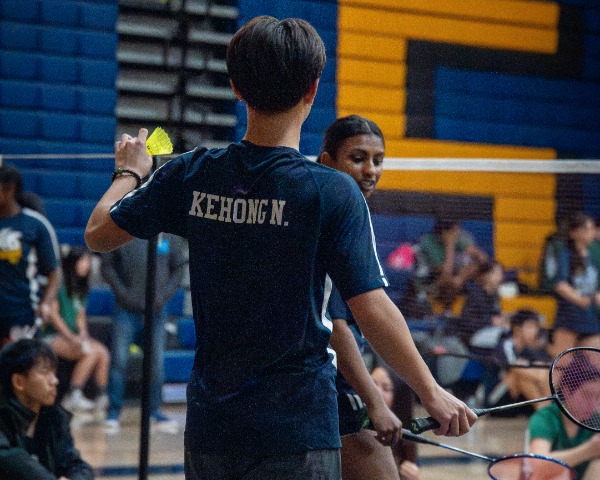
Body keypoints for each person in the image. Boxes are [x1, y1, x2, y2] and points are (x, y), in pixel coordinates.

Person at [85, 16, 476, 479]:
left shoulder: (192, 173)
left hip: (212, 429)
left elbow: (98, 233)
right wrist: (430, 390)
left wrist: (130, 171)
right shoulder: (332, 192)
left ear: (236, 87)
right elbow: (370, 306)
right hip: (297, 431)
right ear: (312, 90)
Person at [318, 115, 403, 479]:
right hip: (327, 392)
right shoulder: (328, 221)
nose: (371, 170)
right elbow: (335, 328)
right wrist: (374, 401)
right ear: (327, 162)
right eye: (358, 158)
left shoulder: (347, 216)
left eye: (378, 160)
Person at [0, 165, 61, 462]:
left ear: (9, 189)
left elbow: (54, 272)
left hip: (22, 313)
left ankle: (30, 450)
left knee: (26, 384)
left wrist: (47, 302)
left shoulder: (35, 224)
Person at [0, 338, 94, 479]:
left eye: (54, 373)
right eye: (45, 372)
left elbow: (79, 467)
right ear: (19, 382)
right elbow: (21, 469)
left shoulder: (54, 421)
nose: (55, 381)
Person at [100, 233, 188, 433]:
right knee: (119, 360)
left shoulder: (169, 234)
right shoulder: (124, 229)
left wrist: (162, 296)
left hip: (157, 311)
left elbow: (178, 269)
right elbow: (107, 266)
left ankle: (153, 410)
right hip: (125, 309)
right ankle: (113, 411)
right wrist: (124, 294)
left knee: (156, 362)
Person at [44, 246, 110, 419]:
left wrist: (83, 334)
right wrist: (72, 338)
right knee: (88, 352)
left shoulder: (81, 287)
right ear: (73, 262)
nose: (86, 265)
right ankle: (74, 394)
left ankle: (101, 396)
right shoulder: (59, 284)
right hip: (52, 336)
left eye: (88, 261)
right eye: (83, 261)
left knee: (102, 352)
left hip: (72, 336)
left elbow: (81, 315)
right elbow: (54, 316)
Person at [527, 351, 600, 480]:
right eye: (587, 395)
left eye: (598, 397)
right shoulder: (545, 417)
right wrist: (589, 449)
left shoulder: (595, 420)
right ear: (566, 390)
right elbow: (538, 463)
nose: (593, 404)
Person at [403, 217, 488, 319]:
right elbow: (445, 273)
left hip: (454, 280)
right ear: (444, 232)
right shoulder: (428, 242)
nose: (458, 233)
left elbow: (483, 259)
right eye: (454, 231)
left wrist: (460, 277)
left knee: (479, 269)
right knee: (448, 282)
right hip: (428, 282)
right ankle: (444, 313)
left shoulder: (460, 237)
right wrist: (450, 245)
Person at [549, 211, 600, 357]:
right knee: (562, 363)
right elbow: (560, 285)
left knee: (596, 362)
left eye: (592, 228)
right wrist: (578, 299)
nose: (591, 232)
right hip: (569, 319)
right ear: (575, 232)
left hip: (590, 320)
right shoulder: (565, 255)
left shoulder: (593, 255)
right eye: (587, 229)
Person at [486, 309, 551, 409]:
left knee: (541, 369)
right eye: (530, 326)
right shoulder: (505, 345)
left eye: (536, 327)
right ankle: (544, 410)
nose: (535, 331)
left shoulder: (528, 349)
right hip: (495, 400)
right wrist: (540, 374)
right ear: (517, 329)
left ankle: (545, 408)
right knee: (519, 374)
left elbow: (545, 370)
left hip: (517, 401)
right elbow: (517, 368)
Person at [371, 364, 420, 480]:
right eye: (372, 383)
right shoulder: (349, 428)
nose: (377, 391)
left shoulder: (407, 442)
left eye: (386, 388)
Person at [449, 260, 506, 346]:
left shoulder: (494, 296)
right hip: (472, 336)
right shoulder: (475, 294)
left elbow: (496, 316)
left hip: (488, 332)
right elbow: (468, 321)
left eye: (501, 274)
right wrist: (490, 321)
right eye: (496, 273)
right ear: (485, 275)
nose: (500, 277)